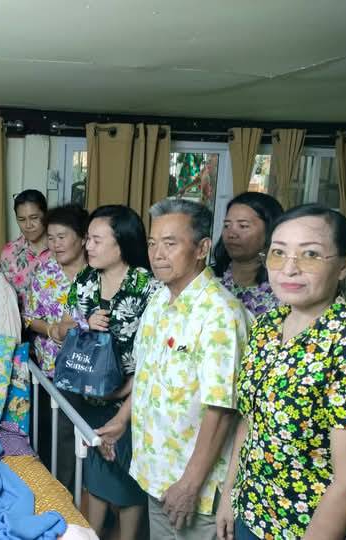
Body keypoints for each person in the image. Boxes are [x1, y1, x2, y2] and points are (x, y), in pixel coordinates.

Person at [216, 204, 346, 540]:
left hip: (305, 528)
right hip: (250, 512)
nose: (289, 269)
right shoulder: (266, 326)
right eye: (279, 253)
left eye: (310, 255)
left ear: (345, 265)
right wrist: (230, 495)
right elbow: (250, 420)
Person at [129, 198, 249, 540]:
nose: (157, 254)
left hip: (193, 486)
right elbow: (148, 374)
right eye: (153, 243)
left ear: (202, 249)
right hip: (156, 472)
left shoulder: (220, 313)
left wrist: (190, 484)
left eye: (170, 243)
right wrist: (121, 420)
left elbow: (222, 409)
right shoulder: (159, 299)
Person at [67, 204, 160, 540]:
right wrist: (84, 324)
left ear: (121, 244)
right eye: (87, 238)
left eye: (96, 240)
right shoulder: (85, 281)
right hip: (90, 395)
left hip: (132, 399)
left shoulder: (148, 286)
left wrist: (125, 390)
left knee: (126, 482)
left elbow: (157, 353)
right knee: (97, 474)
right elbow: (69, 330)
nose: (87, 246)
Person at [25, 204, 89, 377]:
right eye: (51, 238)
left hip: (92, 366)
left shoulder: (97, 272)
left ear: (83, 238)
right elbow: (30, 318)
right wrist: (51, 330)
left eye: (61, 237)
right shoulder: (44, 273)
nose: (55, 245)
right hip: (53, 367)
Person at [212, 192, 284, 316]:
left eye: (243, 226)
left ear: (270, 231)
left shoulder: (283, 290)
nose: (231, 234)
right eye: (227, 225)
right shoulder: (210, 279)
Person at [0, 189, 51, 315]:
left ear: (46, 215)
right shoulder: (10, 252)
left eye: (34, 218)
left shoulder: (61, 249)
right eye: (21, 219)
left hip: (55, 324)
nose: (28, 225)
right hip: (16, 323)